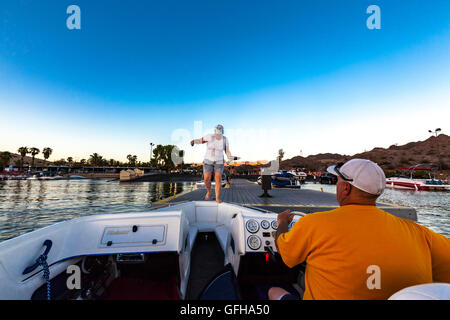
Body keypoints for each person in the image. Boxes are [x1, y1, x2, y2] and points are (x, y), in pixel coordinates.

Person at [269, 159, 450, 300]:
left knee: (273, 291)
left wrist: (282, 222)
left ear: (346, 188)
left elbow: (286, 254)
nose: (337, 185)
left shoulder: (313, 224)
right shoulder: (419, 233)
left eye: (338, 181)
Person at [190, 124, 237, 203]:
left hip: (219, 161)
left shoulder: (225, 139)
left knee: (218, 178)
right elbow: (201, 140)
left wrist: (230, 156)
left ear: (222, 132)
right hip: (208, 160)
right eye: (217, 134)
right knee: (206, 179)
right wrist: (194, 141)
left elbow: (227, 150)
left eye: (220, 134)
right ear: (214, 132)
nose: (218, 135)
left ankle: (217, 198)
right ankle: (208, 191)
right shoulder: (209, 136)